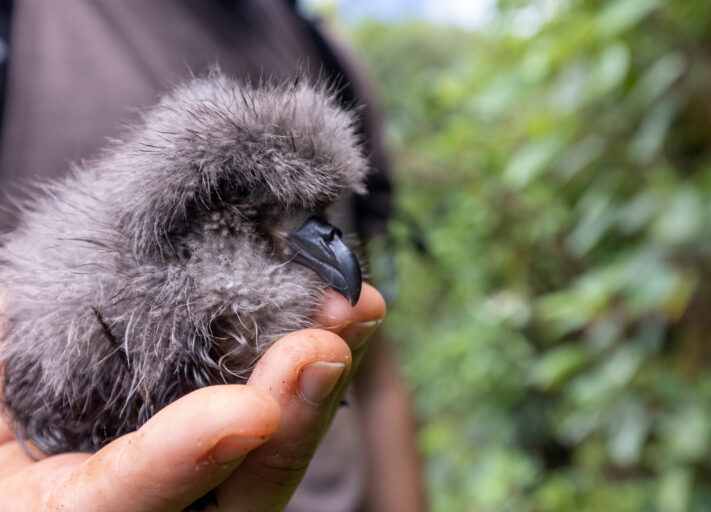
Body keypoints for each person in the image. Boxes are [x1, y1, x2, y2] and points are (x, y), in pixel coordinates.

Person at [0, 1, 426, 510]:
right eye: (270, 211)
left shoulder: (321, 48)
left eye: (319, 211)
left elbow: (374, 365)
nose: (329, 243)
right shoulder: (21, 28)